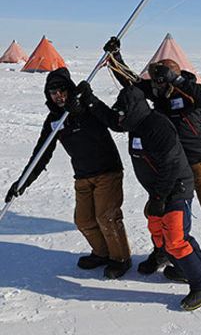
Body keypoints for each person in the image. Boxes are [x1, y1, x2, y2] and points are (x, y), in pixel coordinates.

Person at [103, 37, 201, 277]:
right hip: (170, 164)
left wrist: (175, 79)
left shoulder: (190, 93)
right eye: (155, 82)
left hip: (198, 160)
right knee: (163, 209)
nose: (156, 86)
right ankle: (163, 250)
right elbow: (132, 85)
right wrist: (115, 59)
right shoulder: (158, 92)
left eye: (161, 81)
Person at [77, 81, 201, 311]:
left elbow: (171, 166)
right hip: (158, 190)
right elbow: (111, 120)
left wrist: (160, 198)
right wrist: (91, 100)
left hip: (176, 187)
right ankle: (173, 263)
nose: (118, 118)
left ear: (132, 111)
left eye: (121, 113)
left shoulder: (157, 127)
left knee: (177, 237)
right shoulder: (133, 122)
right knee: (156, 227)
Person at [4, 68, 131, 279]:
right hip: (82, 176)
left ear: (69, 90)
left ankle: (120, 259)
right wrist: (22, 182)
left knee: (106, 217)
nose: (58, 96)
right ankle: (101, 253)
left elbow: (114, 122)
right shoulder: (55, 121)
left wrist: (90, 100)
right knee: (83, 220)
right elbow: (40, 155)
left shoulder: (88, 109)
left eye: (62, 90)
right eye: (53, 92)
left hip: (107, 172)